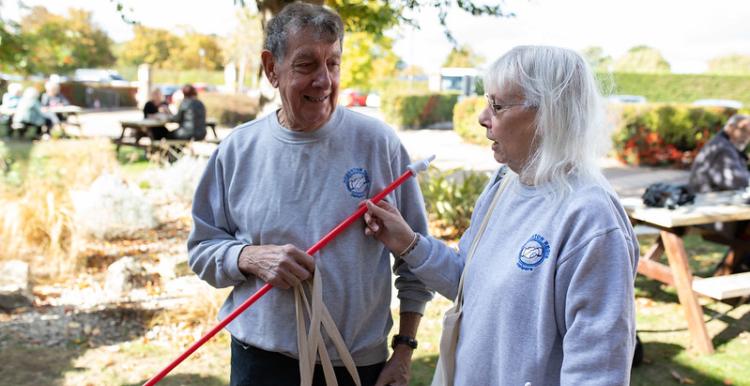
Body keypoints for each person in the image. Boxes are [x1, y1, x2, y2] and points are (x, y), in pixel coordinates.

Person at [363, 46, 639, 385]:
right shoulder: (506, 183)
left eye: (497, 105)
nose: (482, 117)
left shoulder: (591, 218)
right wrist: (408, 243)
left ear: (549, 113)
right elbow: (469, 283)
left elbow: (598, 370)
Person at [188, 3, 432, 386]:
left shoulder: (377, 144)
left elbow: (416, 257)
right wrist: (249, 256)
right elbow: (202, 250)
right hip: (261, 363)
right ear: (272, 68)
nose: (324, 80)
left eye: (333, 64)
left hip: (356, 364)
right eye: (306, 65)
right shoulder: (237, 150)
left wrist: (404, 350)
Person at [688, 114, 750, 194]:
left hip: (708, 197)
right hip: (707, 200)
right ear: (730, 127)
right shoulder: (723, 147)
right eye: (744, 130)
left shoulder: (722, 143)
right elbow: (735, 180)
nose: (747, 136)